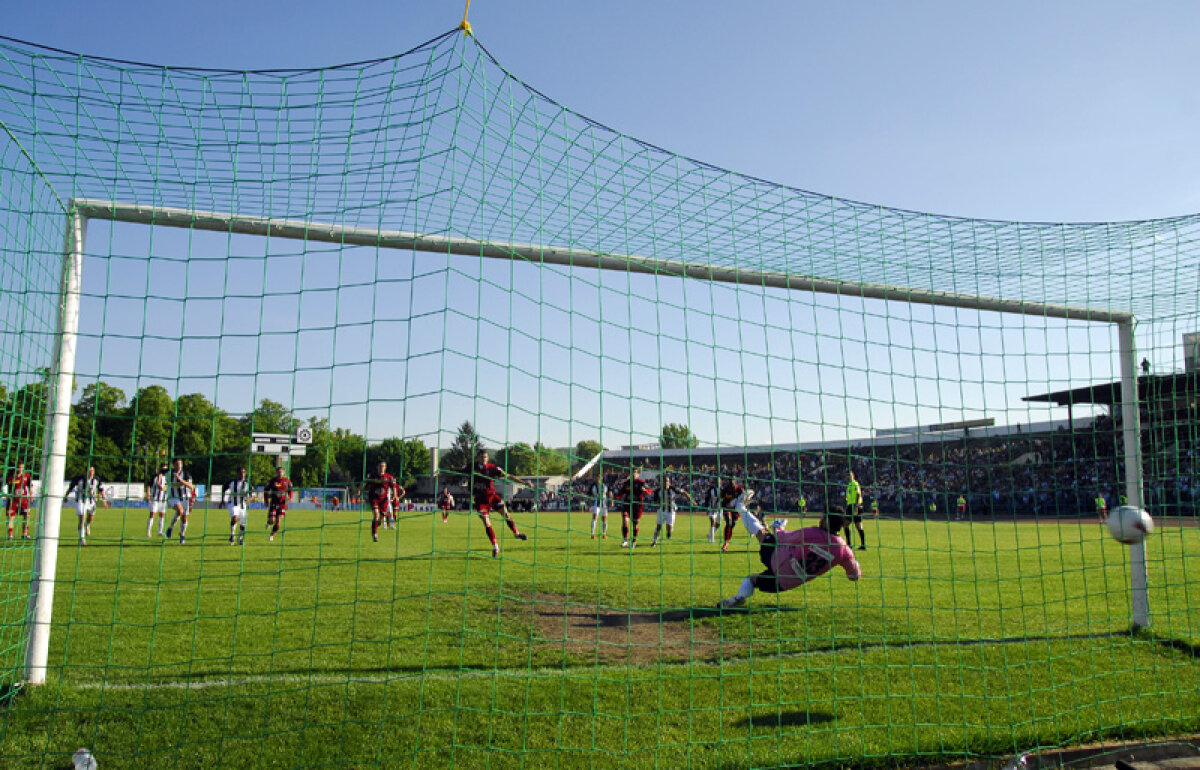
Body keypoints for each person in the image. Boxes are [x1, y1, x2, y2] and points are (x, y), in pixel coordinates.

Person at [718, 509, 861, 609]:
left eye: (823, 517)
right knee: (753, 580)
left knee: (762, 533)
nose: (820, 519)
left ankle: (740, 507)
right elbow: (854, 576)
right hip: (787, 582)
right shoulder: (844, 551)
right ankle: (736, 599)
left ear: (827, 521)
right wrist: (854, 564)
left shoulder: (815, 533)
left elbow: (783, 538)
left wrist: (778, 528)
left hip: (777, 559)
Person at [472, 450, 532, 558]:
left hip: (492, 497)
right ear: (478, 458)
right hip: (480, 501)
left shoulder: (493, 468)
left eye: (485, 457)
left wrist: (524, 483)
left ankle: (516, 533)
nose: (483, 459)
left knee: (506, 514)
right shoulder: (472, 467)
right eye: (481, 457)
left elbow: (508, 476)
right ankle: (495, 547)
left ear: (488, 458)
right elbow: (456, 471)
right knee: (486, 522)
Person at [66, 466, 109, 546]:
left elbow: (101, 490)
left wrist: (104, 501)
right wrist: (66, 496)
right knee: (81, 519)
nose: (91, 472)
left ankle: (87, 525)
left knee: (90, 518)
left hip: (91, 501)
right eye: (90, 471)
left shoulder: (97, 479)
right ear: (85, 472)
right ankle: (82, 539)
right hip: (80, 500)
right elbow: (71, 487)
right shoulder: (79, 479)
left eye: (93, 471)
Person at [615, 467, 653, 552]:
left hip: (637, 506)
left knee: (635, 525)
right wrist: (616, 498)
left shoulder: (641, 483)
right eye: (631, 472)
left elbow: (650, 491)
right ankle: (625, 540)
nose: (633, 474)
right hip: (627, 505)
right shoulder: (627, 483)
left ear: (638, 474)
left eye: (635, 472)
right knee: (625, 520)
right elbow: (621, 493)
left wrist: (645, 490)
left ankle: (634, 541)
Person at [650, 475, 694, 547]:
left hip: (671, 511)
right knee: (658, 526)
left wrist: (691, 500)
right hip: (661, 511)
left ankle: (669, 532)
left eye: (667, 481)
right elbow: (654, 502)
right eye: (664, 481)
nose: (665, 483)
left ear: (669, 482)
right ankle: (654, 541)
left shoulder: (673, 489)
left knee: (669, 529)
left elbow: (684, 492)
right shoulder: (658, 491)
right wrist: (656, 505)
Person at [164, 459, 195, 545]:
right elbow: (163, 479)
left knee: (184, 518)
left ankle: (182, 534)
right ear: (173, 465)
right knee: (180, 510)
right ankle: (171, 527)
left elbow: (191, 486)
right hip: (173, 498)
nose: (179, 466)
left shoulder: (186, 474)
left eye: (180, 464)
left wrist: (180, 480)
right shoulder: (168, 474)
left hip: (185, 498)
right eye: (177, 464)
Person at [365, 461, 396, 542]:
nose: (382, 467)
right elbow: (365, 482)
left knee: (380, 519)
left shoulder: (389, 477)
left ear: (385, 467)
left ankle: (377, 523)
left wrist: (395, 495)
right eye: (380, 466)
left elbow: (394, 487)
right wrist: (359, 489)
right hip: (374, 498)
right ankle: (374, 534)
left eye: (383, 466)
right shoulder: (373, 475)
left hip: (384, 500)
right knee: (376, 515)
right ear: (377, 467)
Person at [719, 477, 750, 552]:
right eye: (730, 480)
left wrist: (744, 501)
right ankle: (725, 543)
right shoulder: (725, 489)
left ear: (735, 482)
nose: (731, 482)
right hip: (727, 508)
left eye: (732, 481)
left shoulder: (739, 490)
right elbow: (721, 498)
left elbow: (745, 499)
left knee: (732, 525)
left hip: (735, 511)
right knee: (728, 523)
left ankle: (727, 541)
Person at [264, 465, 293, 541]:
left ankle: (272, 535)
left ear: (283, 472)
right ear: (276, 473)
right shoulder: (273, 481)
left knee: (278, 522)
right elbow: (266, 490)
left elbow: (291, 490)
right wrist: (266, 500)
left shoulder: (287, 481)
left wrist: (290, 498)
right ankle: (269, 522)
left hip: (282, 504)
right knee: (272, 520)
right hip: (273, 503)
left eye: (281, 472)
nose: (280, 473)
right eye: (279, 472)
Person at [223, 466, 250, 545]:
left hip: (242, 505)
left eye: (244, 473)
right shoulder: (231, 482)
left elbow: (252, 494)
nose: (242, 474)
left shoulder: (247, 483)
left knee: (243, 524)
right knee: (235, 518)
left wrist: (249, 499)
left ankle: (240, 538)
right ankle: (232, 536)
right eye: (241, 473)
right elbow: (224, 488)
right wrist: (222, 499)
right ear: (237, 473)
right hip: (233, 504)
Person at [6, 460, 33, 540]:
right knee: (11, 517)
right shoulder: (10, 476)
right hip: (12, 500)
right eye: (19, 468)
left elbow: (30, 486)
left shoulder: (27, 475)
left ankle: (24, 534)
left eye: (22, 468)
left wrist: (31, 496)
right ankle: (10, 536)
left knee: (27, 515)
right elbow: (5, 485)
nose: (20, 469)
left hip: (23, 499)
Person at [145, 463, 169, 538]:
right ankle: (148, 531)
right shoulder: (155, 477)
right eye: (163, 469)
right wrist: (148, 497)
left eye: (165, 469)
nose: (164, 470)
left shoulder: (168, 477)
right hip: (155, 498)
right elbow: (149, 486)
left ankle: (160, 531)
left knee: (162, 515)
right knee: (152, 514)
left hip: (164, 499)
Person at [843, 471, 866, 549]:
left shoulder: (854, 484)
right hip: (851, 506)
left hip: (854, 506)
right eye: (846, 476)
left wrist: (856, 506)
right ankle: (861, 545)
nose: (847, 477)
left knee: (849, 524)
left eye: (849, 476)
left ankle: (850, 544)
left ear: (853, 476)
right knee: (855, 525)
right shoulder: (849, 485)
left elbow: (858, 494)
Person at [588, 472, 610, 539]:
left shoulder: (604, 486)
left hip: (603, 504)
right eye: (597, 477)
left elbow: (605, 494)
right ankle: (592, 534)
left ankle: (604, 534)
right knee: (594, 518)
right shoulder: (593, 486)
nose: (598, 478)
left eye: (599, 477)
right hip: (596, 503)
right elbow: (591, 495)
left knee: (604, 519)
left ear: (601, 478)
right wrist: (590, 505)